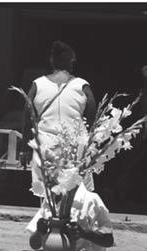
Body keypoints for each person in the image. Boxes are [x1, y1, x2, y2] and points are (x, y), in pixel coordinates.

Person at [19, 41, 97, 194]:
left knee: (48, 196)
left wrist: (24, 150)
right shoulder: (82, 86)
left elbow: (28, 118)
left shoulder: (37, 85)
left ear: (51, 61)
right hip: (75, 149)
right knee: (76, 196)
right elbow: (92, 119)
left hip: (45, 148)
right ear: (71, 62)